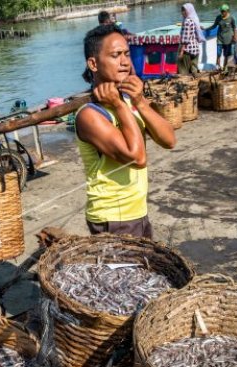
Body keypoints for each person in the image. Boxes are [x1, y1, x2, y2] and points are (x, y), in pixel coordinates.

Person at [75, 24, 176, 239]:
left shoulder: (130, 98)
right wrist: (120, 106)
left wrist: (139, 101)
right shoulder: (89, 115)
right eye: (115, 55)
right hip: (113, 218)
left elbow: (169, 140)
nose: (124, 62)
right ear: (93, 63)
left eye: (126, 54)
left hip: (137, 210)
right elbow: (137, 158)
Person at [204, 4, 237, 70]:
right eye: (221, 11)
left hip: (228, 39)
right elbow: (214, 26)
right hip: (220, 38)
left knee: (226, 54)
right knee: (218, 53)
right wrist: (206, 29)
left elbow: (235, 28)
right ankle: (218, 66)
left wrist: (235, 37)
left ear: (227, 11)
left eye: (223, 11)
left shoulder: (232, 18)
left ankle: (225, 67)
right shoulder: (218, 18)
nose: (222, 12)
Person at [179, 3, 205, 75]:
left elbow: (185, 38)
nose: (182, 12)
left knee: (184, 72)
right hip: (196, 49)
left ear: (189, 11)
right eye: (182, 10)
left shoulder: (187, 21)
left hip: (187, 51)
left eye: (184, 10)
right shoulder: (195, 19)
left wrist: (181, 51)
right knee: (194, 71)